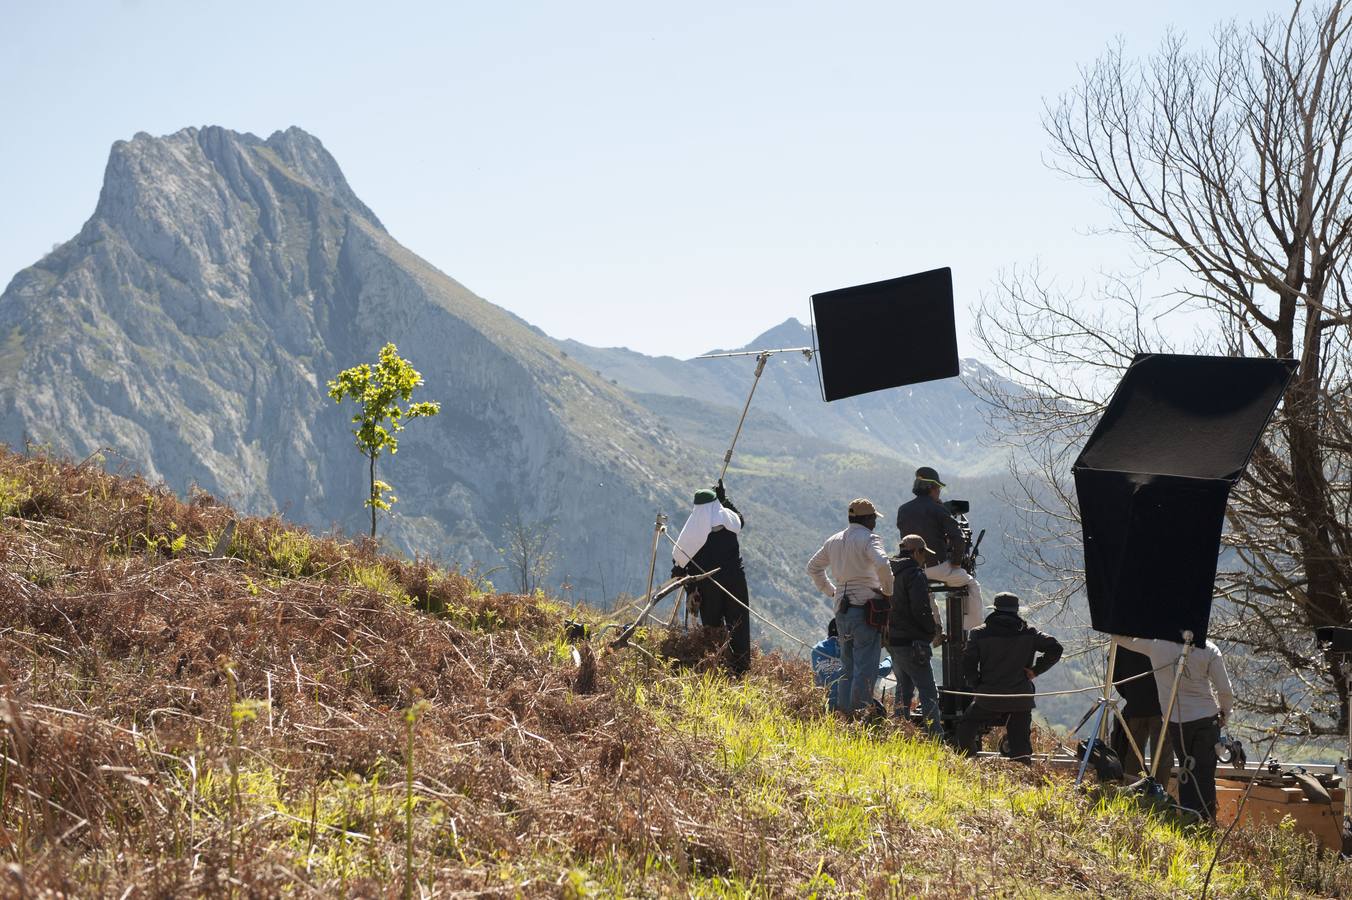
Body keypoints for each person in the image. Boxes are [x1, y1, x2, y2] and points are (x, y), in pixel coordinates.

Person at [1122, 635, 1233, 821]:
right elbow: (1225, 690)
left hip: (1177, 722)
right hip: (1206, 720)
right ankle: (1205, 821)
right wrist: (1225, 714)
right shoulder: (1209, 649)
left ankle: (1188, 818)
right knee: (1204, 774)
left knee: (1186, 770)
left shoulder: (1157, 646)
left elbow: (1124, 639)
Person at [806, 498, 895, 717]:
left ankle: (843, 715)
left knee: (847, 667)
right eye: (874, 517)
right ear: (866, 518)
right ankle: (859, 716)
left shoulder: (834, 540)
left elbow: (813, 567)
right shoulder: (869, 539)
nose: (875, 521)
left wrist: (831, 591)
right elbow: (883, 564)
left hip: (841, 611)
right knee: (865, 668)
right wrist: (888, 592)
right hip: (866, 610)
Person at [956, 592, 1062, 762]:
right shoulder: (1030, 633)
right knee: (1020, 745)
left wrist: (977, 685)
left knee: (966, 727)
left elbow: (968, 663)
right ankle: (1023, 776)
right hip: (1020, 698)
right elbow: (1056, 648)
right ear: (1016, 611)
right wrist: (1036, 670)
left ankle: (968, 762)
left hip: (989, 697)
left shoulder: (979, 633)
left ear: (996, 609)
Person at [671, 480, 751, 673]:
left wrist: (680, 571)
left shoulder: (693, 531)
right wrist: (724, 499)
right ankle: (740, 669)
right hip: (735, 583)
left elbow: (679, 561)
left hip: (709, 588)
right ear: (716, 505)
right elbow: (740, 519)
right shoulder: (729, 522)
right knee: (738, 626)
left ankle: (714, 665)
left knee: (712, 628)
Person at [895, 466, 985, 631]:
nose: (939, 492)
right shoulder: (938, 509)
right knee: (971, 584)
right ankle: (973, 629)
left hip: (912, 569)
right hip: (937, 567)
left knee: (924, 587)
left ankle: (936, 626)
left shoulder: (903, 510)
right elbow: (958, 538)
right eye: (938, 488)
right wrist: (956, 563)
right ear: (931, 488)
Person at [886, 534, 944, 736]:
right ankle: (935, 736)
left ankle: (899, 731)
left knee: (903, 688)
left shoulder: (889, 572)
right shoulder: (915, 575)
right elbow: (921, 608)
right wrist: (931, 631)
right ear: (916, 552)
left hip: (893, 640)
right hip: (913, 642)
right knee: (928, 691)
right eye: (923, 554)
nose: (924, 559)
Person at [1110, 644, 1172, 779]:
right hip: (1161, 707)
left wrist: (1130, 695)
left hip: (1135, 705)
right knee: (1161, 758)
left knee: (1133, 757)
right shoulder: (1165, 637)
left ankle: (1134, 793)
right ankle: (1159, 795)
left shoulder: (1123, 639)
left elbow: (1115, 675)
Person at [811, 618, 893, 712]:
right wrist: (891, 659)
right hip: (846, 704)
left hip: (821, 703)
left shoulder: (816, 650)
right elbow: (876, 670)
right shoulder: (850, 649)